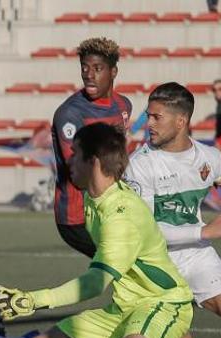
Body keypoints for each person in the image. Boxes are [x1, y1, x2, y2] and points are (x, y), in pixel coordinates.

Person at [0, 122, 202, 338]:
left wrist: (33, 300)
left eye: (74, 156)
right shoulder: (96, 199)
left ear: (92, 162)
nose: (68, 163)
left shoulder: (120, 216)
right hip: (125, 306)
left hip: (161, 302)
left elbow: (94, 284)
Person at [124, 83, 221, 338]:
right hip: (155, 265)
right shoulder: (139, 165)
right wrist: (203, 230)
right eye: (148, 116)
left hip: (197, 257)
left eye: (156, 118)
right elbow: (146, 233)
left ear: (181, 121)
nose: (147, 124)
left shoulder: (209, 158)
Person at [51, 37, 131, 258]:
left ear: (113, 72)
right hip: (77, 217)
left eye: (97, 68)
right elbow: (80, 175)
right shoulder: (70, 114)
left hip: (112, 208)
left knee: (129, 267)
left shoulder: (124, 105)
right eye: (84, 68)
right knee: (123, 264)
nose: (88, 74)